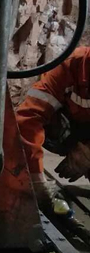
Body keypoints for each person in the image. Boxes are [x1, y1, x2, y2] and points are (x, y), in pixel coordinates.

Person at [16, 47, 90, 216]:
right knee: (46, 126)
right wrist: (36, 177)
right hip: (74, 129)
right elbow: (28, 118)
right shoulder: (71, 66)